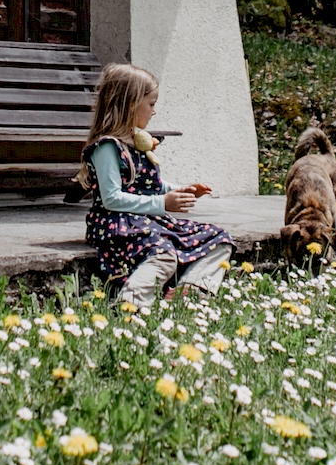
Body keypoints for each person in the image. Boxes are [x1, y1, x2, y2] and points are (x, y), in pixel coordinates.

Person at [78, 63, 232, 307]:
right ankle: (130, 305)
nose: (154, 111)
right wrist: (162, 203)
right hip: (117, 223)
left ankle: (192, 291)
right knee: (164, 254)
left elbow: (149, 184)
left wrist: (179, 190)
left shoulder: (137, 142)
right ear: (130, 103)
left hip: (146, 218)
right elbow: (112, 198)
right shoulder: (108, 147)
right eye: (151, 104)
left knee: (219, 239)